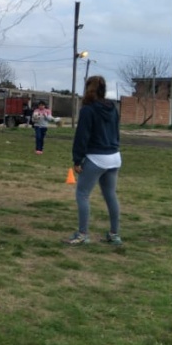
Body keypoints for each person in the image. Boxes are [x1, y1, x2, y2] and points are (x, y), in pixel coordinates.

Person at [66, 75, 122, 246]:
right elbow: (116, 132)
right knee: (110, 195)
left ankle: (82, 234)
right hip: (114, 157)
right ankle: (114, 234)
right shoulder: (113, 108)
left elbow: (82, 136)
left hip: (96, 158)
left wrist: (77, 159)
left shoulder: (88, 110)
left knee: (82, 195)